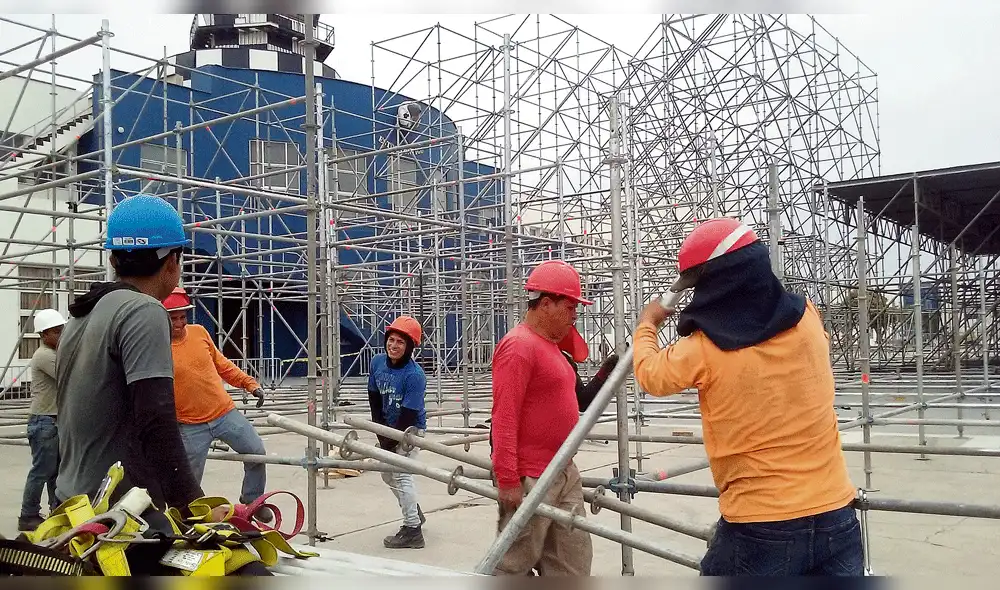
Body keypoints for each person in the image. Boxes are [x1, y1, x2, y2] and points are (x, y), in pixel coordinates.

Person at [632, 217, 863, 577]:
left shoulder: (702, 349)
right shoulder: (807, 318)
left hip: (761, 524)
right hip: (837, 512)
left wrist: (648, 324)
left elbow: (649, 375)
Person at [53, 194, 245, 575]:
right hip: (123, 517)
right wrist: (194, 508)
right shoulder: (143, 311)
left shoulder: (79, 318)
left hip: (73, 503)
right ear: (173, 262)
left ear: (112, 259)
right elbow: (156, 418)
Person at [489, 260, 597, 577]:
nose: (575, 313)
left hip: (563, 471)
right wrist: (508, 479)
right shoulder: (519, 346)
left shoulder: (552, 348)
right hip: (531, 475)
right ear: (546, 304)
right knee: (512, 564)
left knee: (571, 563)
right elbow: (503, 417)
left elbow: (580, 400)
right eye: (570, 306)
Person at [161, 286, 272, 522]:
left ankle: (252, 500)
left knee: (256, 451)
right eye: (173, 319)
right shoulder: (156, 346)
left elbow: (222, 365)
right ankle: (186, 518)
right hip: (189, 424)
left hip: (224, 412)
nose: (179, 323)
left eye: (182, 317)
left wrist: (249, 383)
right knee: (189, 479)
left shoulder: (199, 332)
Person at [367, 315, 428, 549]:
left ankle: (413, 530)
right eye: (391, 340)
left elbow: (408, 415)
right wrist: (380, 433)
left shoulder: (414, 376)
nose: (394, 346)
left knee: (401, 474)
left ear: (409, 347)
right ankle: (413, 511)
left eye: (400, 342)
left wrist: (392, 442)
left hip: (410, 431)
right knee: (387, 474)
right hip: (387, 428)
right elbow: (374, 399)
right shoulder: (377, 363)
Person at [17, 309, 66, 532]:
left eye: (62, 330)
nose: (61, 335)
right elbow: (69, 374)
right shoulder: (45, 356)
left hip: (52, 420)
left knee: (54, 471)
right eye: (57, 332)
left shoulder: (53, 352)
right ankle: (28, 514)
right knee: (42, 471)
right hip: (44, 421)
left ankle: (56, 510)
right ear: (44, 335)